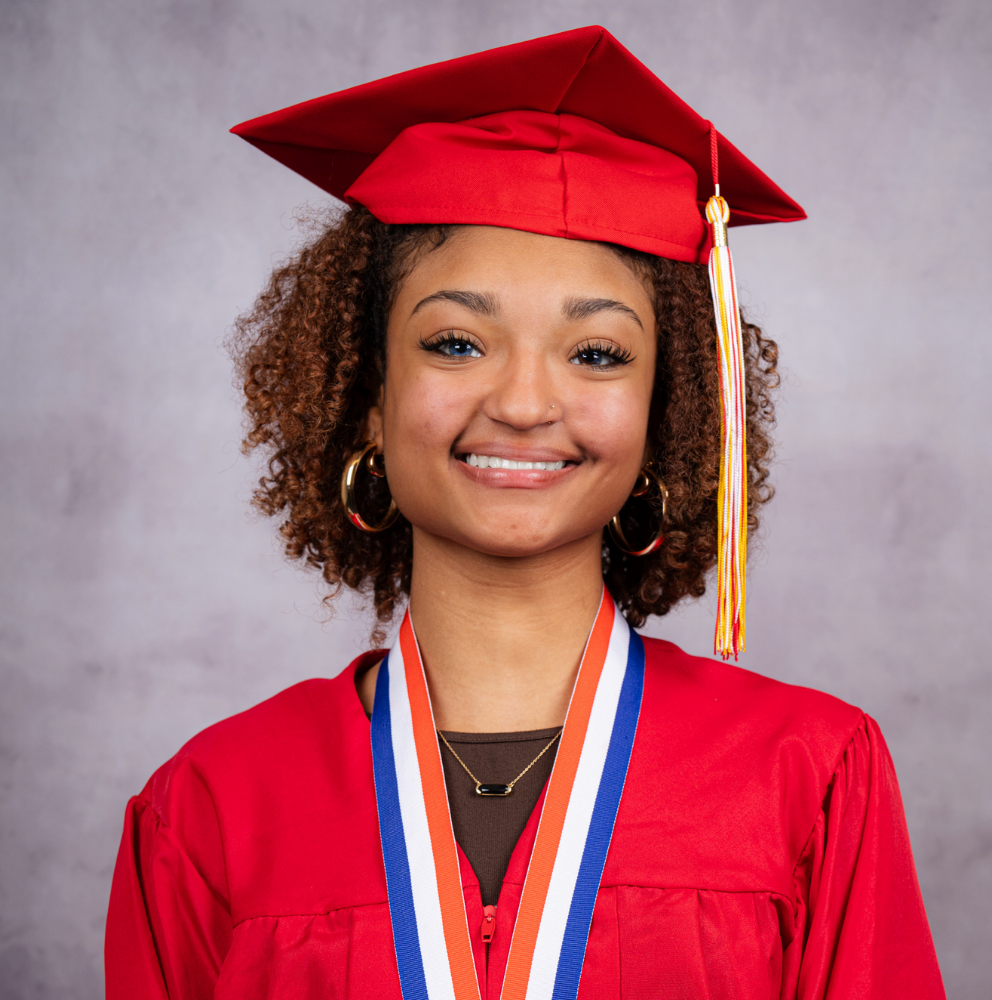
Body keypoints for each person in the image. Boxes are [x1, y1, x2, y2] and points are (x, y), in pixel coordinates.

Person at [104, 25, 945, 1000]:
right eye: (457, 342)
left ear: (662, 414)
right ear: (367, 395)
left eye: (596, 354)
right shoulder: (213, 808)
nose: (523, 401)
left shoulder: (808, 778)